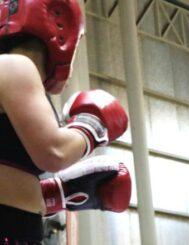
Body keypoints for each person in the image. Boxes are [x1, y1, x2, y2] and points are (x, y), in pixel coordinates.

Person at [0, 0, 131, 244]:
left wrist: (54, 195)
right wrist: (92, 126)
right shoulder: (15, 66)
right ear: (60, 28)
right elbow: (54, 152)